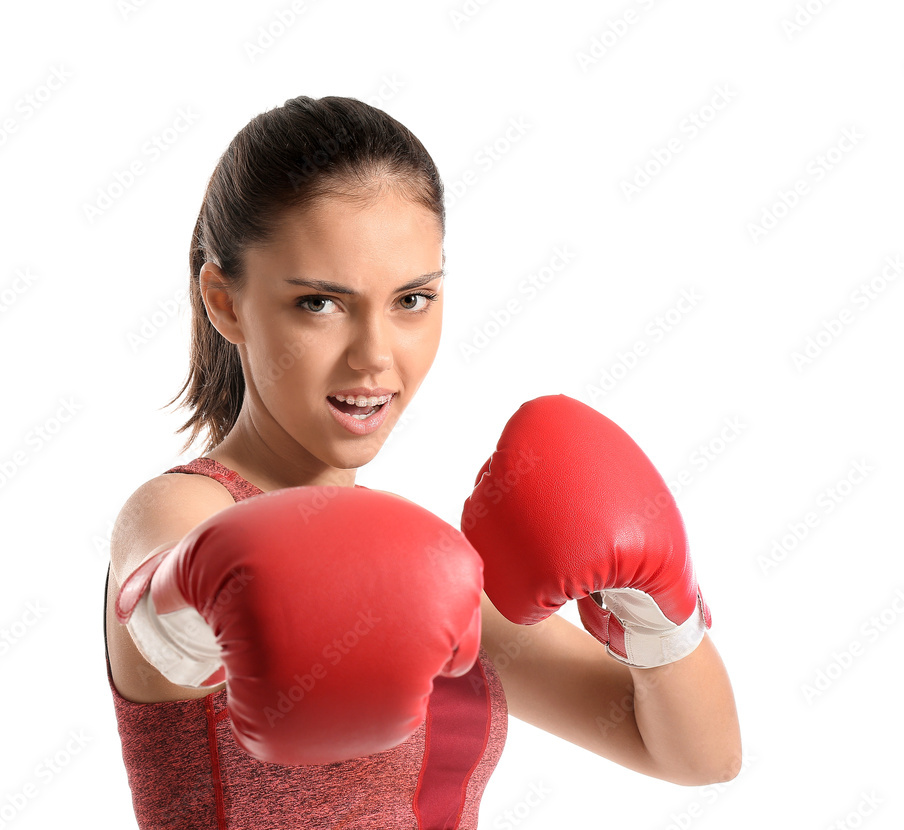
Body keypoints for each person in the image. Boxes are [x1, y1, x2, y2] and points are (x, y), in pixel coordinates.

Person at [103, 95, 741, 829]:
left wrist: (657, 612)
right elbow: (159, 602)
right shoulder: (187, 509)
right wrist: (200, 605)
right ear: (225, 302)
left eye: (412, 299)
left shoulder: (418, 569)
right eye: (320, 303)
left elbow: (698, 755)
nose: (376, 355)